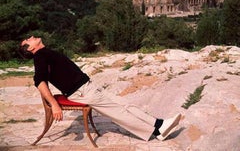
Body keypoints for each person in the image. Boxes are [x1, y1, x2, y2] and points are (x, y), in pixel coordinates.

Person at [19, 36, 181, 141]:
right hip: (81, 92)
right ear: (30, 49)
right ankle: (156, 132)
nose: (31, 37)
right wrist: (54, 104)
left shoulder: (45, 53)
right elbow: (39, 81)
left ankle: (159, 124)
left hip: (87, 86)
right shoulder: (39, 57)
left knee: (124, 105)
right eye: (28, 40)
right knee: (119, 112)